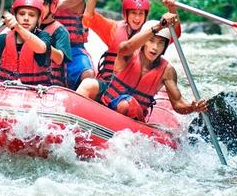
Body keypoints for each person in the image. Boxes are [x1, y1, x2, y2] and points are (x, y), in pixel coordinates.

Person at [78, 13, 207, 121]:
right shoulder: (128, 53)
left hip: (132, 116)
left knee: (126, 104)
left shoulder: (167, 71)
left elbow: (178, 103)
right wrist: (158, 27)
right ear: (144, 42)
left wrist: (192, 107)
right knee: (89, 83)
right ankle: (70, 120)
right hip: (107, 102)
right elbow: (125, 47)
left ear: (165, 47)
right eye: (151, 41)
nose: (155, 47)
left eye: (160, 43)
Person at [78, 0, 181, 100]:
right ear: (126, 13)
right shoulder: (113, 28)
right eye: (133, 13)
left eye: (141, 13)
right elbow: (88, 16)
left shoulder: (152, 32)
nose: (137, 18)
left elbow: (175, 34)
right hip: (109, 84)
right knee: (88, 84)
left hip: (134, 91)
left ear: (146, 15)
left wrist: (172, 8)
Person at [50, 0, 93, 90]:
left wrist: (41, 4)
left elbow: (61, 3)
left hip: (72, 48)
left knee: (87, 74)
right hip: (46, 45)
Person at [29, 0, 72, 87]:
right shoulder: (24, 26)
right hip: (25, 81)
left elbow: (59, 59)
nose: (39, 7)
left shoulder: (60, 31)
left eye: (43, 4)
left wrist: (43, 45)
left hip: (50, 85)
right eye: (36, 3)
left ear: (52, 6)